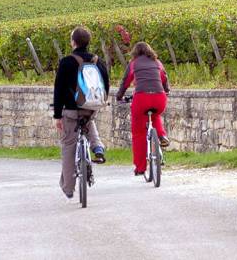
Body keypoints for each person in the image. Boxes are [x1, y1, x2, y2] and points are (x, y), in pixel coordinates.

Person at [52, 26, 109, 200]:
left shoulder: (67, 62)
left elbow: (59, 89)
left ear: (73, 42)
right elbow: (105, 84)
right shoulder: (97, 61)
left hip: (70, 110)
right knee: (88, 121)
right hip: (91, 107)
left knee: (69, 145)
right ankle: (97, 147)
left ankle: (69, 188)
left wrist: (57, 115)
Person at [115, 42, 170, 176]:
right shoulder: (157, 62)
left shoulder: (134, 63)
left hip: (141, 99)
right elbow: (164, 78)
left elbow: (125, 81)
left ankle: (140, 168)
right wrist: (166, 91)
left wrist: (119, 96)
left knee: (139, 132)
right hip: (159, 98)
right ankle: (162, 135)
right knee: (155, 115)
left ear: (135, 52)